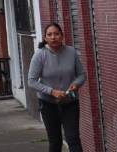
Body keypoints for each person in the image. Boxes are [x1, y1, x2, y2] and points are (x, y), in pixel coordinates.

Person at [28, 22, 87, 152]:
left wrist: (76, 84)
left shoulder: (71, 52)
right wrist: (51, 91)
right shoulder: (40, 55)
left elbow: (82, 75)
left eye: (56, 34)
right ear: (45, 38)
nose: (53, 37)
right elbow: (31, 81)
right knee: (55, 141)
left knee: (73, 138)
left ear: (62, 36)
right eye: (50, 35)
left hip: (70, 102)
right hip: (48, 104)